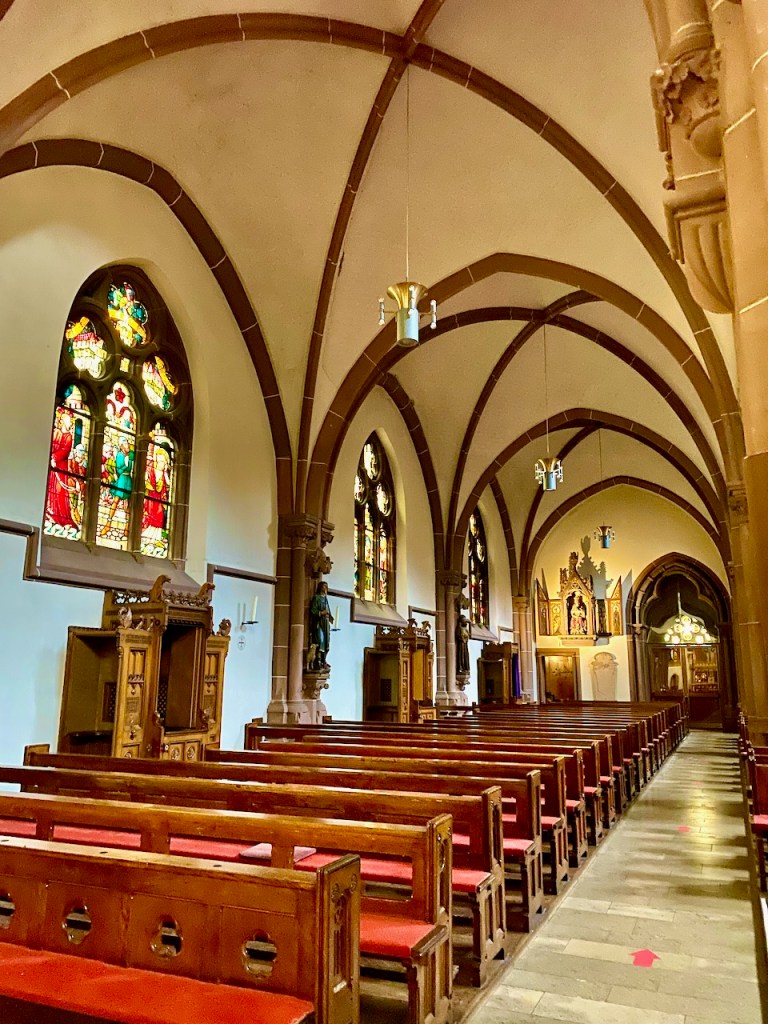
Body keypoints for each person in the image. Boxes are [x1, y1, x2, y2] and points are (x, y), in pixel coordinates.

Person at [309, 581, 334, 669]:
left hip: (326, 623)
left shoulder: (325, 598)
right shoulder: (316, 598)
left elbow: (328, 610)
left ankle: (324, 660)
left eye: (327, 586)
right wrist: (321, 613)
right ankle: (318, 660)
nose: (326, 588)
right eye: (324, 586)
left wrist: (330, 617)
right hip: (319, 623)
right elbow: (313, 610)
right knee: (320, 640)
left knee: (327, 641)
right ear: (320, 587)